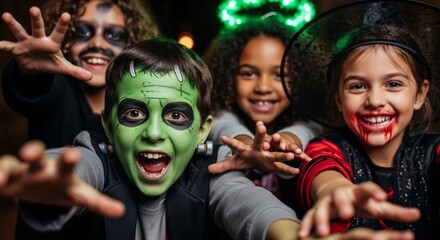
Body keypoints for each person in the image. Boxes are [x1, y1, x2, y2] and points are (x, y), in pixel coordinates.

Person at [0, 37, 423, 240]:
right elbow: (75, 168)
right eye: (132, 113)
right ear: (108, 125)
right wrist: (49, 182)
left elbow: (253, 210)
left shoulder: (216, 171)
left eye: (177, 115)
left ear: (201, 129)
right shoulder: (94, 152)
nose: (152, 132)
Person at [278, 1, 440, 239]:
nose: (374, 100)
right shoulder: (328, 147)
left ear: (419, 94)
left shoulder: (432, 149)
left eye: (393, 84)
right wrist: (334, 189)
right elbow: (321, 168)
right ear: (339, 99)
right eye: (358, 86)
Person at [1, 0, 159, 149]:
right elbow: (31, 89)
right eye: (82, 31)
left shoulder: (141, 100)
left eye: (114, 35)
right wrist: (31, 71)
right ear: (67, 38)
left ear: (132, 45)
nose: (97, 43)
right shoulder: (58, 90)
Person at [204, 16, 322, 206]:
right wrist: (248, 144)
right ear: (228, 77)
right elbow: (223, 126)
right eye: (248, 73)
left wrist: (286, 142)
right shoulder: (219, 118)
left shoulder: (309, 123)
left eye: (279, 74)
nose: (263, 87)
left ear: (300, 80)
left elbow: (306, 129)